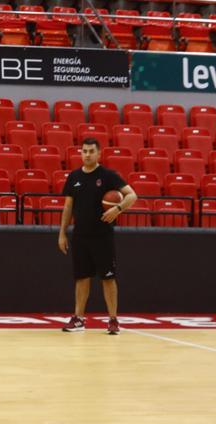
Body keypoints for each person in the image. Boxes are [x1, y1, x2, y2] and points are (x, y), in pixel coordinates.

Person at [58, 138, 137, 336]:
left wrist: (117, 209)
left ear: (99, 153)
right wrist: (62, 234)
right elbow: (68, 207)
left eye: (91, 151)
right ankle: (78, 319)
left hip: (102, 236)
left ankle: (113, 320)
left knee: (108, 278)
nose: (87, 154)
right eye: (84, 151)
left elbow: (132, 195)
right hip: (80, 235)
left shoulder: (108, 176)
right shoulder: (74, 176)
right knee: (81, 278)